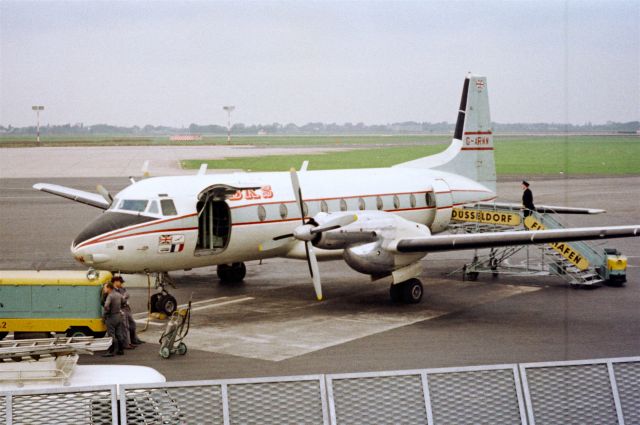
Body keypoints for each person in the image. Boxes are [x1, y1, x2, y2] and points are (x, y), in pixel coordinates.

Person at [112, 276, 144, 347]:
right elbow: (119, 299)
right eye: (120, 282)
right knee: (125, 326)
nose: (122, 284)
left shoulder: (122, 288)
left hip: (126, 308)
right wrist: (123, 297)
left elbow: (127, 294)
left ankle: (134, 339)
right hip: (120, 309)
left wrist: (124, 297)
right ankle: (127, 343)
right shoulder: (112, 290)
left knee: (132, 324)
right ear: (116, 282)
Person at [102, 282, 126, 357]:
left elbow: (106, 306)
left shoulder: (110, 296)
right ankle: (120, 350)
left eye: (105, 287)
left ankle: (111, 351)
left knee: (111, 334)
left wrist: (106, 312)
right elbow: (124, 302)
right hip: (118, 316)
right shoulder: (118, 294)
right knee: (119, 333)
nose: (104, 289)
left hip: (111, 317)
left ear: (109, 288)